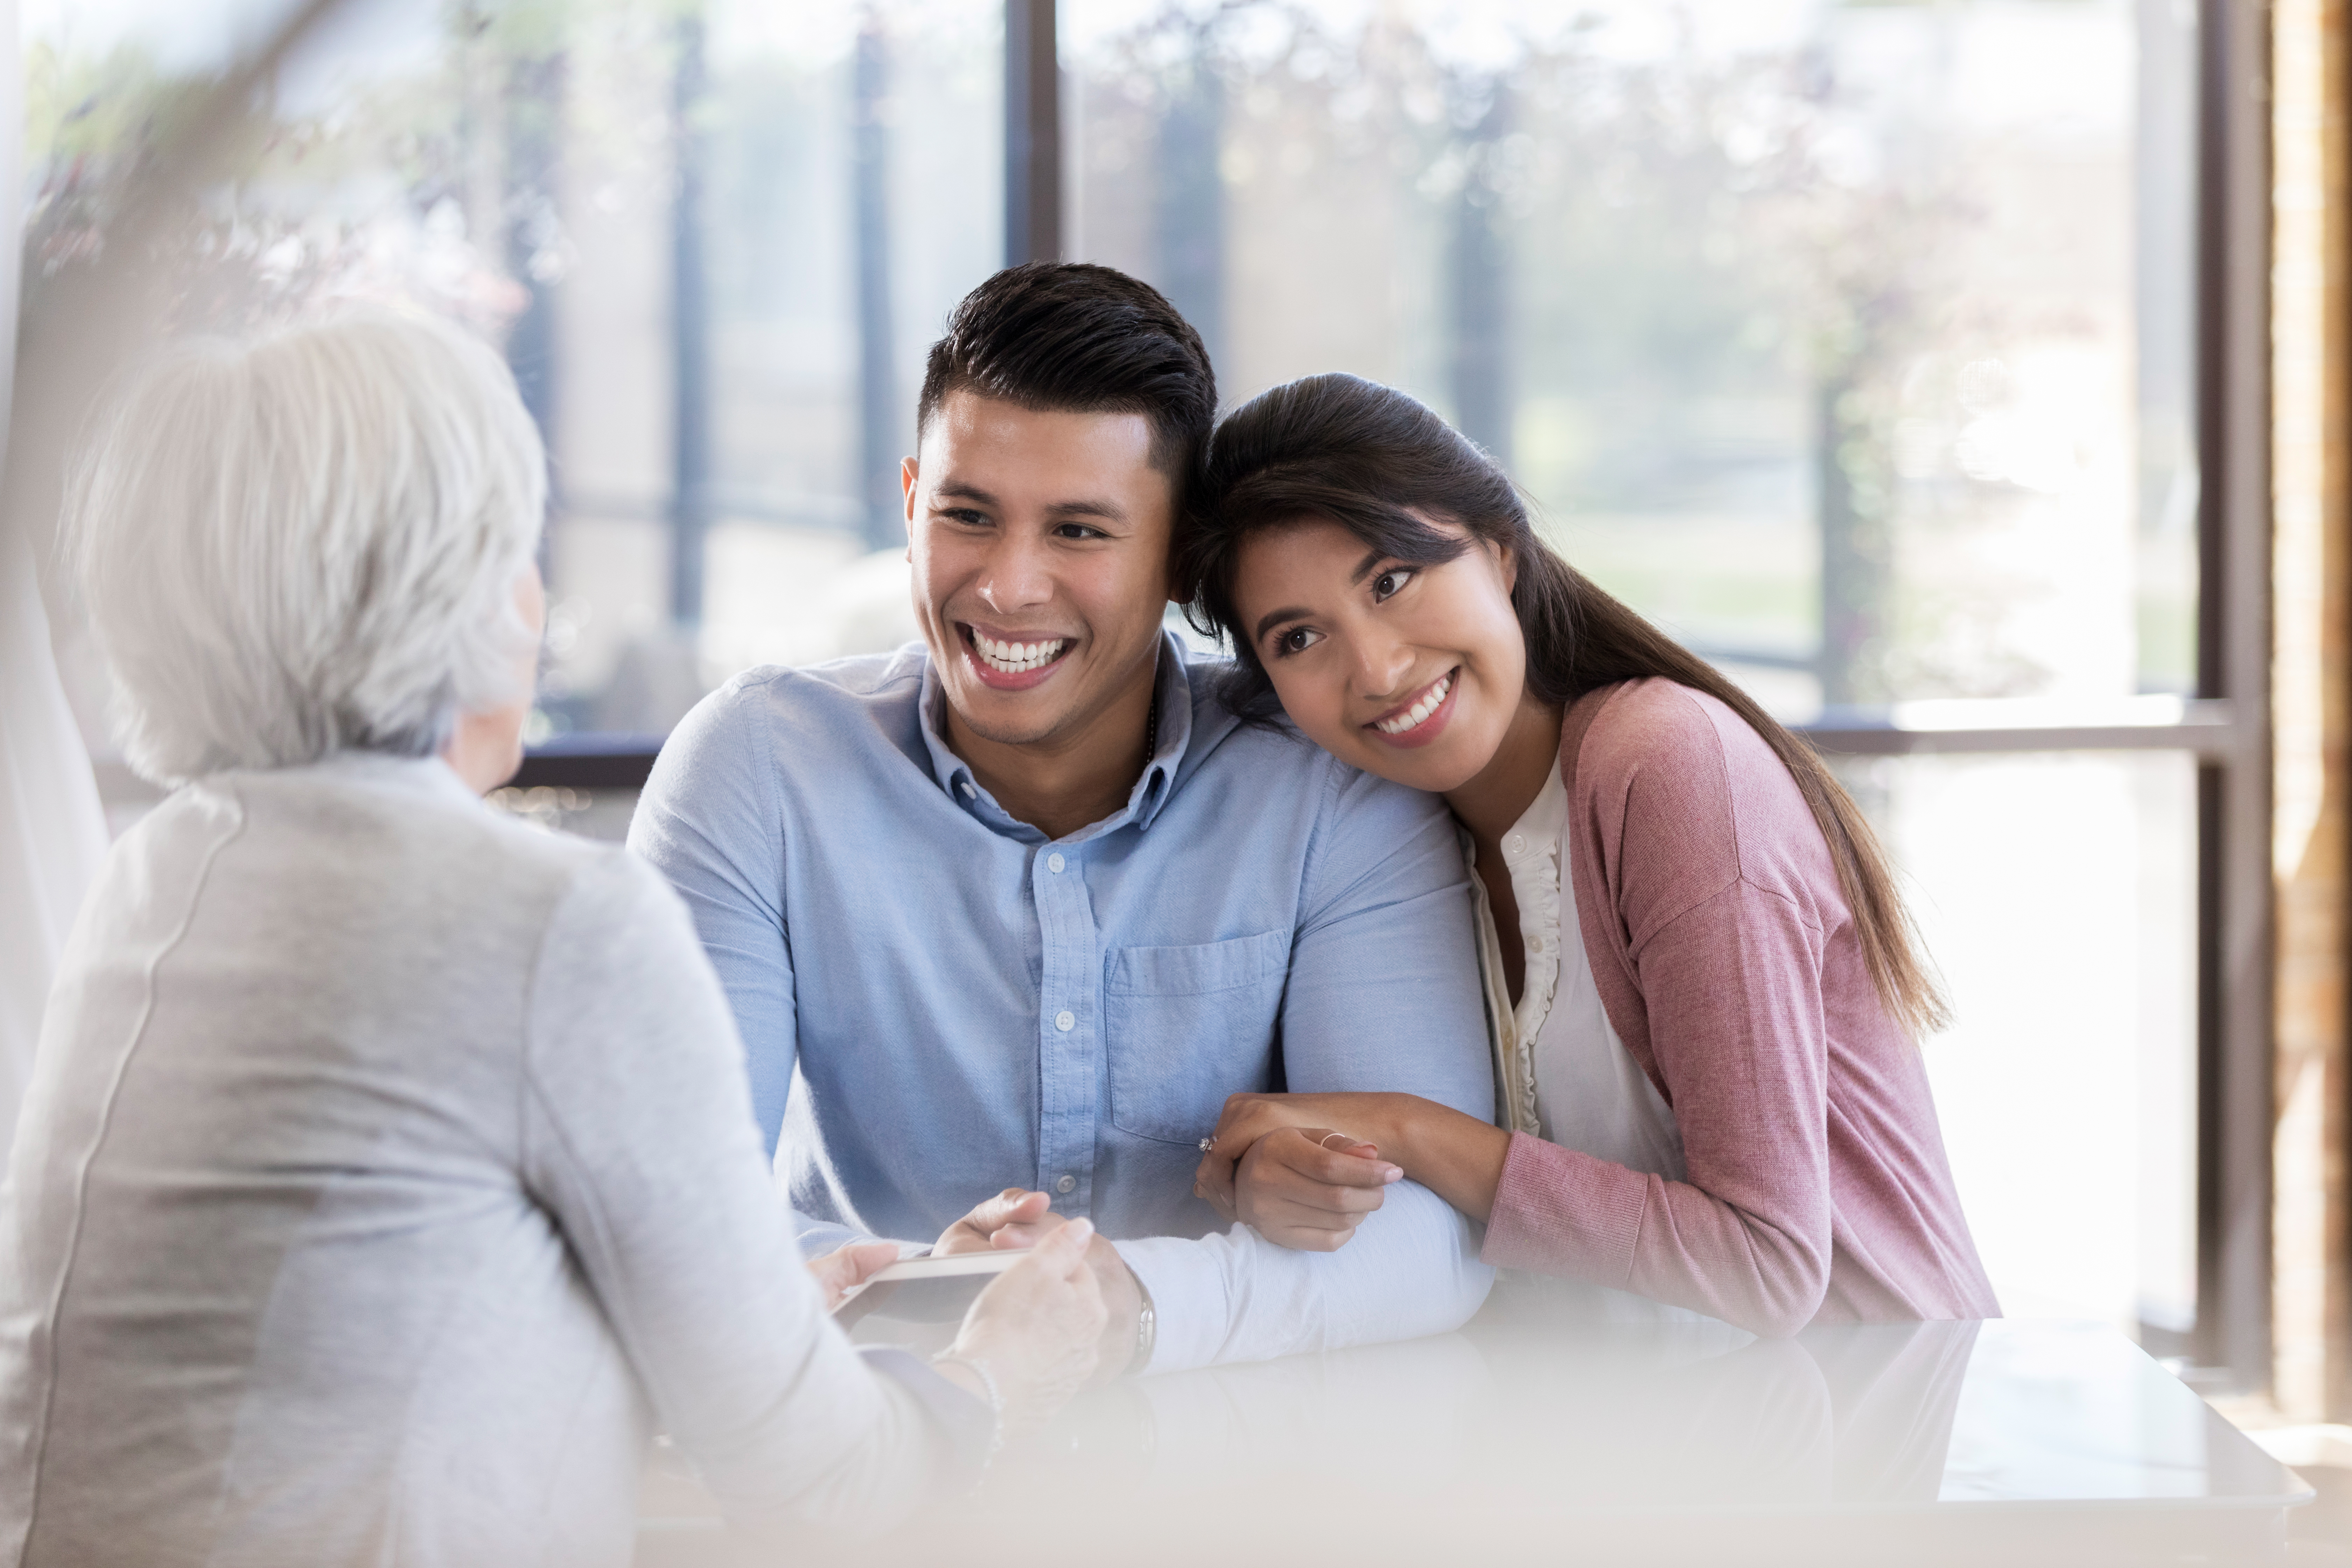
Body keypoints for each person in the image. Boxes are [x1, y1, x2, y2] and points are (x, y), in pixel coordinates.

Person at [0, 314, 1105, 1568]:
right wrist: (994, 1376)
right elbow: (823, 1487)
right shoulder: (546, 925)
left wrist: (757, 1317)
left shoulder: (160, 876)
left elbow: (340, 1342)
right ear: (452, 595)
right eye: (513, 549)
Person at [630, 264, 1496, 1377]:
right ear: (908, 505)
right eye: (967, 515)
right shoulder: (757, 770)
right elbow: (671, 1207)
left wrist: (1119, 1302)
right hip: (863, 1460)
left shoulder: (1326, 787)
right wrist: (924, 1284)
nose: (1009, 587)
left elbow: (1432, 1241)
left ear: (1183, 557)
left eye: (1081, 531)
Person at [1184, 373, 1998, 1337]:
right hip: (1636, 1450)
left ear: (1499, 549)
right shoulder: (1394, 837)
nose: (1376, 668)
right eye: (1300, 637)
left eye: (1392, 579)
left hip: (1869, 1424)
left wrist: (1411, 1130)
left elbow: (1769, 1268)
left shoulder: (1667, 770)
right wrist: (1305, 1178)